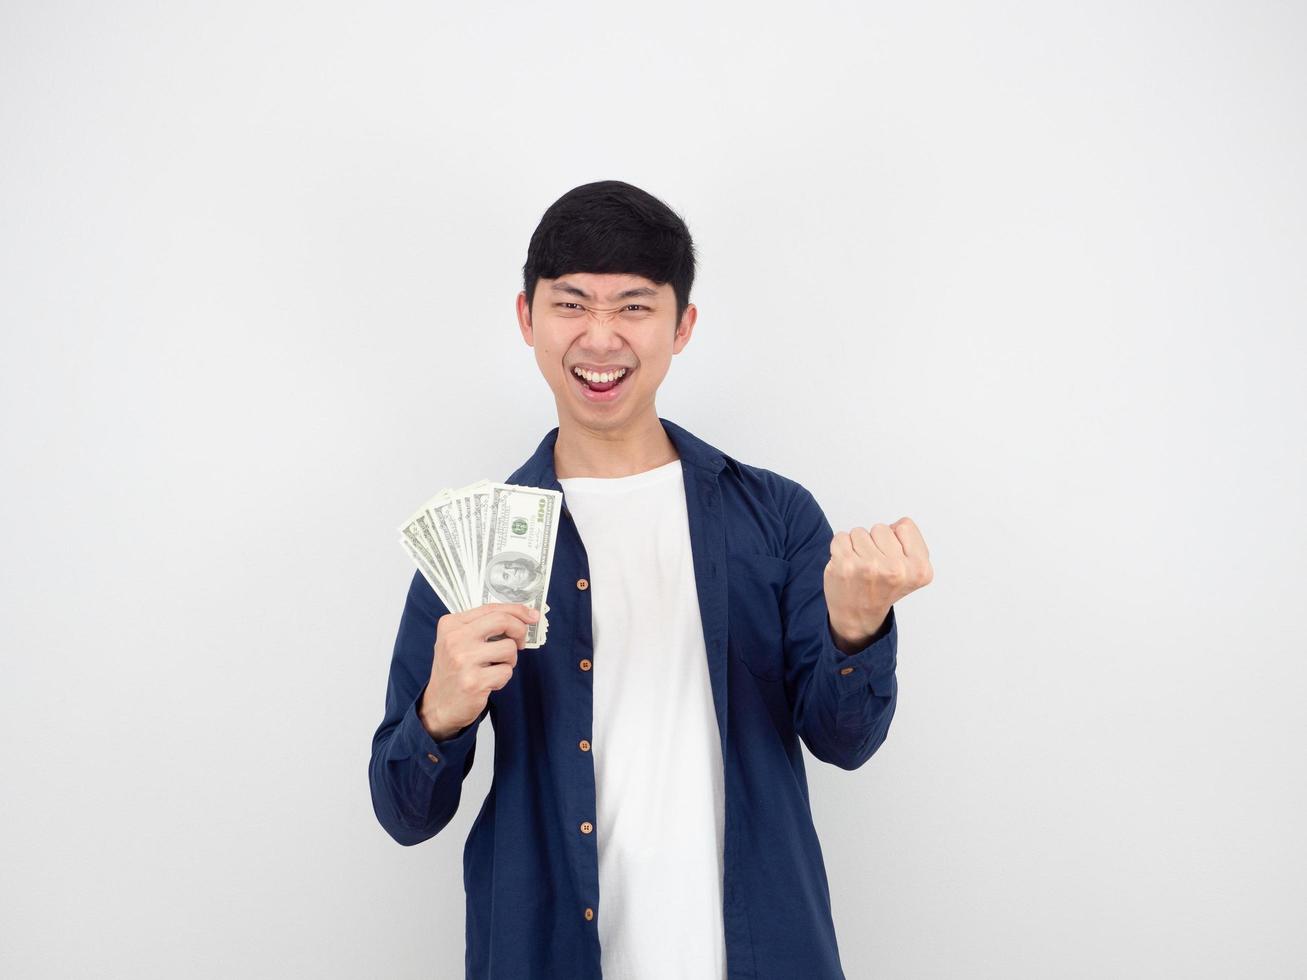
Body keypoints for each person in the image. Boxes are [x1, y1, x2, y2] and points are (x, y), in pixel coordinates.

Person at [368, 180, 934, 979]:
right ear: (526, 318)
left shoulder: (774, 517)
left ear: (682, 326)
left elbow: (845, 742)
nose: (600, 339)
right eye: (571, 304)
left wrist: (855, 626)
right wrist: (440, 714)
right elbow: (403, 814)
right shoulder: (482, 544)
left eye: (634, 307)